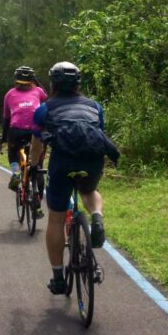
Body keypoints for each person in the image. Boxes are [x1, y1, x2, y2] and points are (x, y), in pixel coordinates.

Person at [34, 61, 120, 295]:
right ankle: (97, 217)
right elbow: (97, 132)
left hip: (62, 162)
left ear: (52, 83)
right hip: (92, 159)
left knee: (56, 218)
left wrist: (34, 165)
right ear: (78, 83)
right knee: (89, 190)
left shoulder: (45, 109)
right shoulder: (95, 106)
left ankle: (59, 277)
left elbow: (38, 142)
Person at [0, 66, 49, 202]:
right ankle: (38, 198)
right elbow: (46, 100)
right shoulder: (38, 91)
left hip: (16, 130)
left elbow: (6, 118)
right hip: (36, 130)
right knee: (38, 164)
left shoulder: (9, 94)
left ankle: (15, 172)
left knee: (13, 151)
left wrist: (4, 138)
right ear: (32, 80)